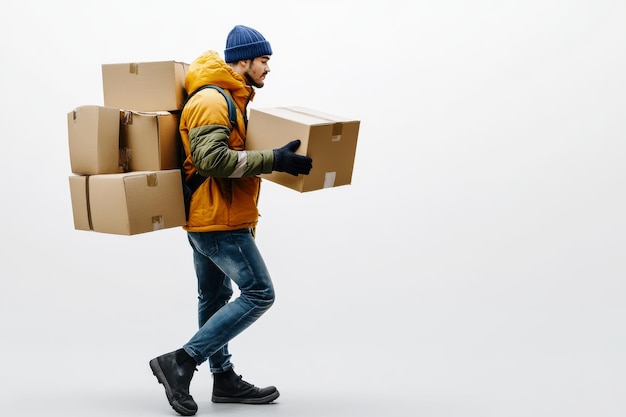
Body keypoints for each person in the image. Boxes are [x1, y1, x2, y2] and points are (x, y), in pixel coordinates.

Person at [149, 25, 313, 416]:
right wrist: (274, 160)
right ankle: (182, 362)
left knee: (215, 298)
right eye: (263, 61)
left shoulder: (230, 98)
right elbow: (211, 160)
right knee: (259, 293)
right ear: (242, 61)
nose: (268, 68)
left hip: (214, 215)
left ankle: (223, 378)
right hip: (218, 220)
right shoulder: (211, 100)